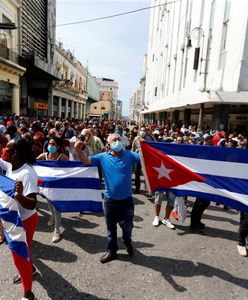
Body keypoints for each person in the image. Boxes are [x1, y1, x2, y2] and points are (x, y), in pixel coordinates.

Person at [75, 133, 140, 264]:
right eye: (114, 140)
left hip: (126, 201)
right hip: (110, 201)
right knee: (111, 229)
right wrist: (78, 151)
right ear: (108, 144)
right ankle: (112, 251)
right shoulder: (102, 157)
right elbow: (86, 161)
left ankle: (127, 242)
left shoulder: (130, 155)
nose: (117, 141)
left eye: (118, 139)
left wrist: (145, 145)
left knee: (127, 227)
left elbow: (146, 159)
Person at [0, 138, 38, 300]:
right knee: (25, 250)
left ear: (16, 154)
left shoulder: (27, 173)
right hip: (14, 219)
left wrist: (19, 196)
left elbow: (32, 203)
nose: (4, 152)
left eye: (7, 150)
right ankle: (31, 270)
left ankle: (28, 295)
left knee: (19, 255)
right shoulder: (10, 166)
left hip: (25, 220)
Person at [37, 137, 69, 243]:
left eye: (53, 144)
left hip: (58, 188)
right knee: (50, 204)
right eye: (49, 143)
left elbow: (72, 167)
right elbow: (34, 164)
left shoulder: (62, 157)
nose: (51, 146)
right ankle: (52, 218)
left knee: (56, 208)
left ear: (58, 146)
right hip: (47, 187)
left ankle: (57, 229)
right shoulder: (43, 156)